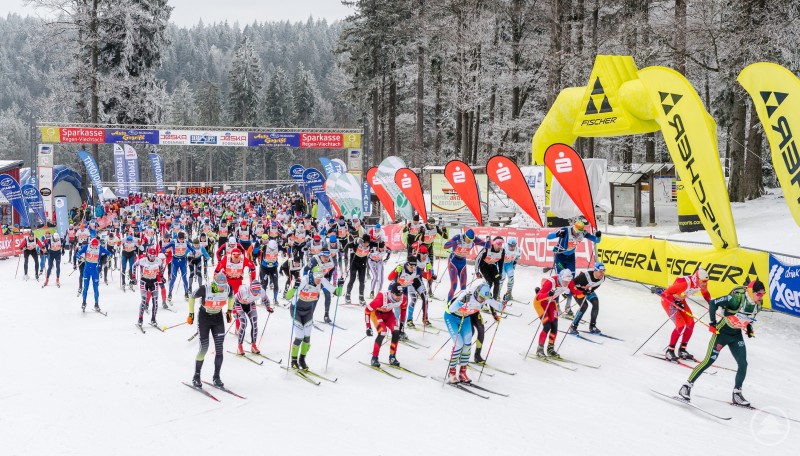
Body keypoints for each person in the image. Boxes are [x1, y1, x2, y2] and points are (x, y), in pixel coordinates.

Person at [678, 279, 765, 406]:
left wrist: (749, 328)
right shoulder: (736, 299)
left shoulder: (758, 304)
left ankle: (737, 394)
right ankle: (686, 386)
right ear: (751, 292)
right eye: (759, 294)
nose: (761, 297)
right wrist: (712, 323)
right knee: (709, 361)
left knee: (743, 364)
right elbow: (713, 303)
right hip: (721, 333)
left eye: (763, 294)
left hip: (736, 335)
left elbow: (749, 317)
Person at [444, 282, 504, 383]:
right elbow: (451, 308)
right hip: (451, 317)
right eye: (480, 298)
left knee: (467, 345)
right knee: (459, 344)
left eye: (484, 299)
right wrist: (461, 302)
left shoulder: (486, 297)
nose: (482, 301)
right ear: (476, 292)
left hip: (465, 318)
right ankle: (452, 372)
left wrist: (504, 302)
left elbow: (499, 307)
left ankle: (463, 372)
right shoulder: (466, 295)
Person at [285, 265, 341, 370]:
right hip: (296, 310)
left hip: (308, 312)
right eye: (317, 278)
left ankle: (302, 359)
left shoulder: (322, 280)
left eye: (321, 278)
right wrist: (294, 287)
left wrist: (340, 285)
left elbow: (337, 292)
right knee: (300, 336)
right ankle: (293, 360)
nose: (319, 281)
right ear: (312, 275)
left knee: (307, 338)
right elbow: (288, 297)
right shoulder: (304, 281)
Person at [546, 218, 601, 317]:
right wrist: (557, 235)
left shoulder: (582, 233)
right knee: (560, 280)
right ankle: (556, 306)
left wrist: (598, 236)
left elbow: (596, 241)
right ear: (573, 228)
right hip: (560, 256)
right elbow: (548, 237)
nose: (577, 234)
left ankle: (568, 307)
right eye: (576, 232)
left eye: (579, 233)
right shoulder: (566, 230)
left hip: (570, 258)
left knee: (571, 281)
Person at [187, 272, 233, 388]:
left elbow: (231, 297)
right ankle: (196, 376)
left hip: (218, 318)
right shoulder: (205, 289)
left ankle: (216, 377)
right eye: (219, 286)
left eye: (223, 285)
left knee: (219, 348)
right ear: (214, 283)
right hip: (204, 318)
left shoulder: (228, 288)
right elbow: (191, 297)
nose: (222, 288)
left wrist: (229, 311)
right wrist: (191, 314)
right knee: (204, 347)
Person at [660, 268, 711, 361]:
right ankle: (669, 351)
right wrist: (674, 302)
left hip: (680, 300)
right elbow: (665, 294)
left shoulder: (702, 283)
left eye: (706, 281)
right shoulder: (684, 283)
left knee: (690, 324)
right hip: (668, 301)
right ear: (697, 279)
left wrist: (710, 303)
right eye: (703, 281)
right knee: (681, 325)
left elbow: (705, 292)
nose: (705, 283)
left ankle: (682, 350)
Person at [533, 269, 577, 358]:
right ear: (561, 278)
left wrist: (584, 293)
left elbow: (576, 292)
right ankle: (540, 349)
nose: (567, 283)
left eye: (568, 281)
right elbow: (538, 297)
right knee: (547, 325)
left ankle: (550, 349)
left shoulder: (568, 281)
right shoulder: (551, 282)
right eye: (565, 281)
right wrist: (548, 294)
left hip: (551, 302)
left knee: (554, 325)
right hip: (540, 303)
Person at [365, 282, 408, 367]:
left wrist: (402, 325)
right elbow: (367, 310)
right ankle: (374, 358)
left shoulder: (403, 299)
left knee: (396, 332)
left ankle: (392, 357)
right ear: (391, 293)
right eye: (397, 295)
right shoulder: (381, 298)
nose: (399, 297)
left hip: (388, 314)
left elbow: (403, 311)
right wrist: (368, 327)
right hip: (376, 313)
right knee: (382, 332)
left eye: (400, 294)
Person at [443, 229, 485, 301]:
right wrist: (455, 242)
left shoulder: (473, 240)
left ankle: (460, 303)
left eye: (471, 240)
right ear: (465, 236)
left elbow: (486, 244)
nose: (469, 241)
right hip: (453, 261)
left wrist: (489, 241)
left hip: (462, 262)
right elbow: (445, 246)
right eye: (468, 239)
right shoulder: (458, 237)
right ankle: (448, 303)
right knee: (454, 285)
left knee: (463, 287)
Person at [568, 262, 606, 334]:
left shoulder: (602, 278)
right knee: (584, 306)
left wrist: (591, 290)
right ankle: (573, 326)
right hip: (577, 291)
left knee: (595, 302)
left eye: (604, 271)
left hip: (587, 290)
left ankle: (592, 326)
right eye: (600, 271)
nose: (602, 273)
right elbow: (571, 284)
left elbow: (596, 284)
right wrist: (580, 289)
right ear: (595, 270)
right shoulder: (585, 276)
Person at [75, 238, 112, 311]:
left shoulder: (100, 248)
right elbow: (77, 254)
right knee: (85, 287)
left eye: (96, 246)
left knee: (96, 288)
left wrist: (109, 257)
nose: (94, 247)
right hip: (87, 270)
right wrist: (80, 257)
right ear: (91, 244)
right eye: (93, 246)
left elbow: (109, 253)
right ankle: (84, 302)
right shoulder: (86, 246)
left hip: (95, 271)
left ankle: (96, 304)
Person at [234, 281, 270, 355]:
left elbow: (266, 299)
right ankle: (239, 346)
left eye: (258, 290)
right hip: (239, 305)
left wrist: (268, 307)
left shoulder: (261, 291)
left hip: (250, 304)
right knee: (244, 323)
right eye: (254, 290)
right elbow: (234, 301)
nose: (256, 292)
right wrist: (235, 313)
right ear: (251, 289)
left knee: (254, 323)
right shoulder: (244, 291)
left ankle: (253, 345)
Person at [162, 231, 196, 302]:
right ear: (178, 238)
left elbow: (193, 249)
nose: (181, 240)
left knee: (184, 277)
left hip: (183, 261)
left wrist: (194, 253)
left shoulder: (186, 242)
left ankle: (186, 293)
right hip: (175, 261)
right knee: (173, 278)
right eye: (180, 239)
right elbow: (164, 248)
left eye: (182, 239)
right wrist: (165, 252)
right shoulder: (174, 242)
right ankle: (170, 294)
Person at [136, 247, 165, 328]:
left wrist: (162, 277)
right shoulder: (143, 260)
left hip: (154, 281)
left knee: (155, 302)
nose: (152, 258)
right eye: (151, 256)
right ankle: (140, 319)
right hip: (144, 281)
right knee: (144, 300)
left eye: (154, 256)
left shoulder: (158, 260)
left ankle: (153, 319)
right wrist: (133, 277)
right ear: (148, 255)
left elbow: (161, 268)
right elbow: (134, 266)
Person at [345, 234, 372, 305]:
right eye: (364, 242)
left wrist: (380, 241)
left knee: (362, 281)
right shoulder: (357, 244)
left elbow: (380, 244)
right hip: (354, 264)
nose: (366, 244)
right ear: (362, 241)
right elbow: (347, 246)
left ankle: (361, 297)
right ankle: (347, 295)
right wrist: (354, 242)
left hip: (362, 265)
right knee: (352, 279)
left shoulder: (370, 245)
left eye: (367, 243)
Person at [476, 236, 505, 301]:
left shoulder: (502, 251)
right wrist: (477, 271)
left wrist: (500, 272)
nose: (499, 246)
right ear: (494, 243)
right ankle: (482, 298)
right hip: (484, 266)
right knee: (490, 282)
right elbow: (477, 259)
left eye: (501, 244)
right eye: (498, 244)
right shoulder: (487, 248)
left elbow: (501, 262)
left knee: (497, 282)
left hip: (492, 266)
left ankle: (494, 301)